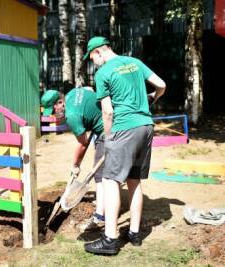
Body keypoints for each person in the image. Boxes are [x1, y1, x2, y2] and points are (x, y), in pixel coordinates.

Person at [82, 36, 166, 255]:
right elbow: (162, 85)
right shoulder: (134, 62)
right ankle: (135, 233)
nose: (94, 64)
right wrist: (152, 99)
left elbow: (107, 111)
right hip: (146, 126)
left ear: (99, 52)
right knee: (134, 180)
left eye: (92, 59)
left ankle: (110, 238)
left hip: (124, 129)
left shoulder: (103, 73)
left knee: (110, 181)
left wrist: (108, 138)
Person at [41, 87, 106, 229]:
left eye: (53, 111)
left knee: (100, 175)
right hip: (102, 122)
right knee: (103, 171)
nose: (53, 115)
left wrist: (75, 165)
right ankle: (106, 201)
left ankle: (100, 216)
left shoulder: (72, 116)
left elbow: (83, 143)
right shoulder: (71, 93)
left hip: (107, 129)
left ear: (59, 103)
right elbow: (88, 89)